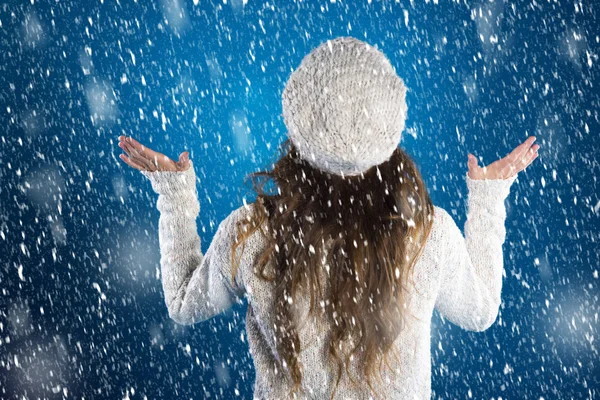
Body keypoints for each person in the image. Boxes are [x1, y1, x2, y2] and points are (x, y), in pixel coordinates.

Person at [117, 36, 539, 400]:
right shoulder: (429, 236)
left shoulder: (252, 234)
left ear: (297, 130)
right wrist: (488, 197)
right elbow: (480, 312)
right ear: (389, 131)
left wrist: (173, 192)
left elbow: (183, 303)